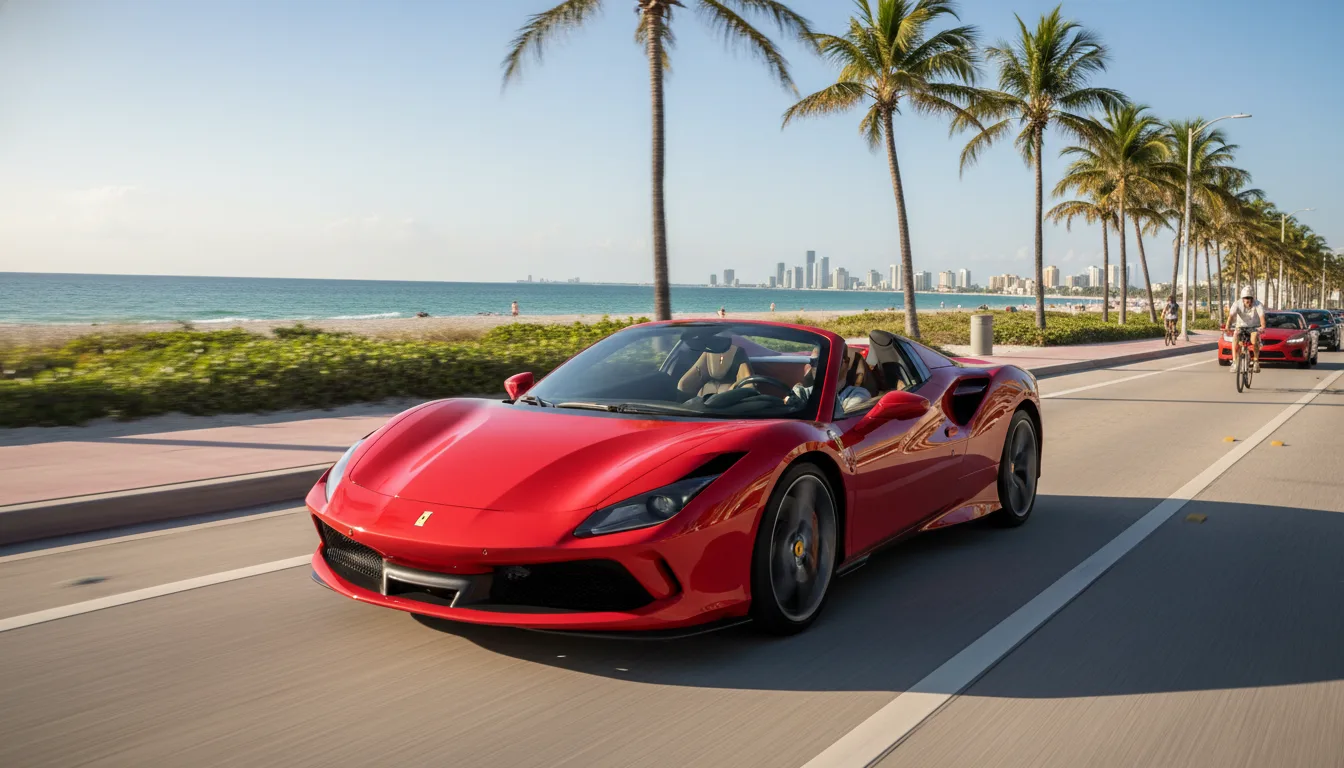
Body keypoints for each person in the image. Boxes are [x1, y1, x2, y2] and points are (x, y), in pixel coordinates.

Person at [1226, 286, 1266, 374]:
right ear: (1242, 299)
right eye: (1246, 298)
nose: (1248, 300)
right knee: (1235, 336)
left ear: (1253, 298)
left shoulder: (1258, 305)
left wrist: (1262, 327)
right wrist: (1227, 327)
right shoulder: (1237, 304)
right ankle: (1235, 362)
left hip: (1254, 326)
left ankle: (1256, 362)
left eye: (1250, 298)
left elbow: (1262, 318)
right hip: (1240, 326)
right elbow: (1231, 316)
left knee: (1254, 338)